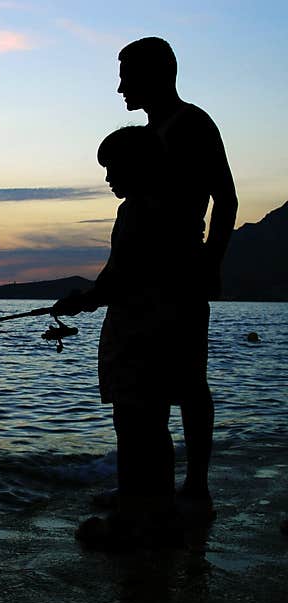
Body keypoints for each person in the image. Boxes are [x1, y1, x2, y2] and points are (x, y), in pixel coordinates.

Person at [95, 37, 238, 519]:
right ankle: (145, 492)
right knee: (146, 393)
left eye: (126, 75)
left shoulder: (190, 124)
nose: (119, 87)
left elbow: (226, 199)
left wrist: (210, 261)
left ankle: (194, 488)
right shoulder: (144, 135)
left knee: (187, 384)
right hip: (142, 282)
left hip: (179, 275)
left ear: (157, 73)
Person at [55, 125, 194, 548]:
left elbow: (123, 274)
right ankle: (159, 513)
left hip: (139, 332)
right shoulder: (172, 206)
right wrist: (90, 297)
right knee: (153, 424)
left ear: (138, 165)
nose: (108, 177)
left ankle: (132, 522)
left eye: (113, 166)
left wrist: (84, 299)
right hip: (167, 325)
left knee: (133, 423)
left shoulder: (138, 210)